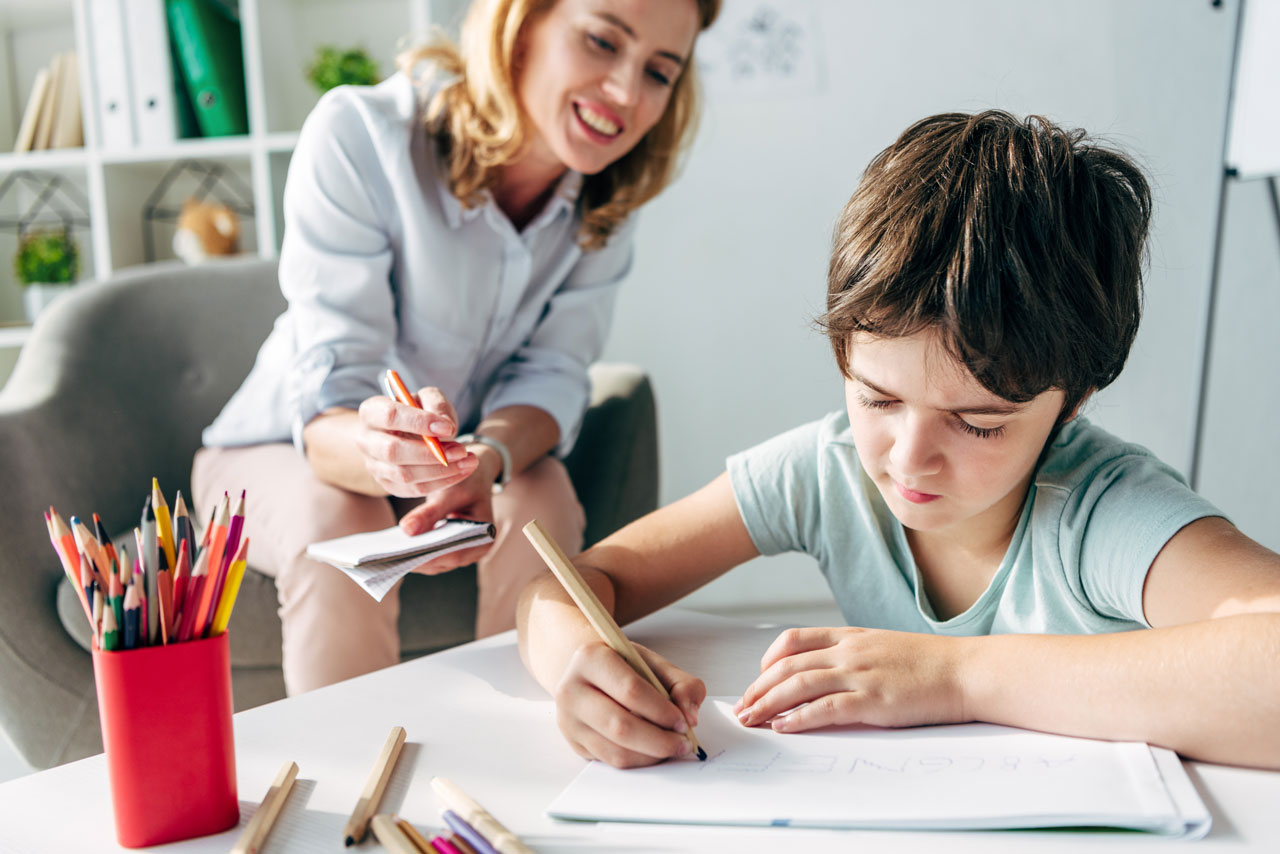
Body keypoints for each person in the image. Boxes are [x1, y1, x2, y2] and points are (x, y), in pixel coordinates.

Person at [517, 110, 1280, 770]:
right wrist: (578, 663)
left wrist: (956, 676)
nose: (908, 458)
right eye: (877, 398)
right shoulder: (828, 471)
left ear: (1072, 399)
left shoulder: (1099, 512)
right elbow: (568, 584)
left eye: (978, 422)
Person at [193, 0, 721, 695]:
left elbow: (555, 373)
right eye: (600, 40)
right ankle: (360, 791)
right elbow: (326, 417)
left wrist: (490, 458)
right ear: (520, 21)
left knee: (544, 501)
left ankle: (523, 760)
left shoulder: (605, 204)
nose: (625, 93)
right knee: (338, 518)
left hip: (455, 456)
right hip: (278, 451)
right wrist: (390, 456)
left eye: (659, 71)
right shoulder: (362, 135)